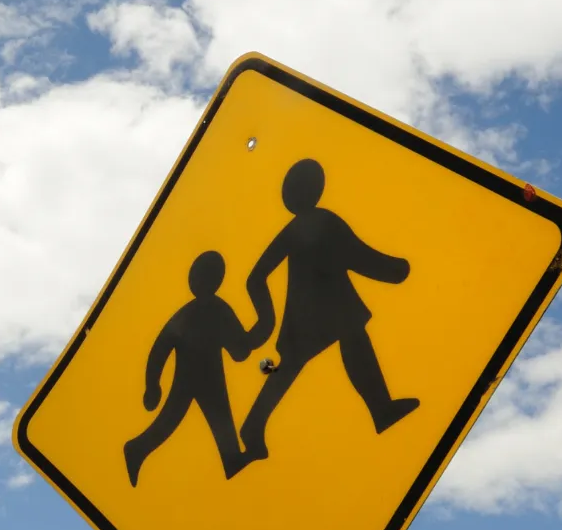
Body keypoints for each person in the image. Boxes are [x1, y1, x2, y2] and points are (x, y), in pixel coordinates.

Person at [240, 158, 420, 462]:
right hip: (318, 309)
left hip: (322, 307)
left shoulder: (301, 226)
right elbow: (357, 255)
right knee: (305, 361)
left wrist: (265, 319)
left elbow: (256, 277)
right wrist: (394, 270)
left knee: (348, 343)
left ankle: (380, 409)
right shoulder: (321, 221)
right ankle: (252, 426)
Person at [123, 250, 253, 487]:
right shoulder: (194, 313)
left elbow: (239, 349)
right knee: (174, 421)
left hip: (209, 378)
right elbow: (160, 349)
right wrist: (152, 386)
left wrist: (254, 335)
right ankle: (136, 449)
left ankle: (231, 459)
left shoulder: (215, 310)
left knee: (213, 419)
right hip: (192, 379)